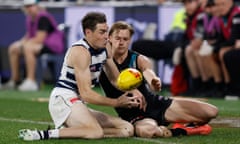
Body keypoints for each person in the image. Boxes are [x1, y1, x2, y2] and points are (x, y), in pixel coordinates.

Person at [18, 12, 145, 141]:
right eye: (102, 32)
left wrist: (133, 90)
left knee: (127, 128)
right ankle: (41, 134)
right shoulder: (81, 52)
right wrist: (117, 102)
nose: (106, 36)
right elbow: (86, 94)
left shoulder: (106, 46)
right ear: (88, 32)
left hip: (78, 103)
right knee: (95, 132)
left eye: (107, 31)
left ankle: (74, 131)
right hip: (64, 100)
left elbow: (115, 79)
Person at [99, 21, 218, 138]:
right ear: (109, 38)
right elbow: (115, 79)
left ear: (130, 40)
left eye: (125, 39)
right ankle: (178, 131)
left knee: (211, 112)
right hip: (134, 114)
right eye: (117, 38)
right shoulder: (103, 62)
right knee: (148, 131)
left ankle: (172, 123)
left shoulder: (138, 59)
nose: (121, 42)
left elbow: (147, 71)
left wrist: (154, 81)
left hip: (155, 103)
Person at [1, 0, 64, 91]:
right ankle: (15, 80)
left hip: (53, 46)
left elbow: (40, 39)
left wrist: (24, 45)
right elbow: (28, 36)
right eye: (26, 6)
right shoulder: (30, 19)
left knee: (28, 48)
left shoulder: (43, 17)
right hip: (40, 45)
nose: (29, 9)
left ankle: (31, 81)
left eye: (31, 6)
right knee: (13, 48)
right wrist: (20, 43)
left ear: (37, 6)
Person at [214, 0, 240, 97]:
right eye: (218, 5)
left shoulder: (236, 15)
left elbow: (234, 38)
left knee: (226, 54)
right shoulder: (223, 18)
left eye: (223, 4)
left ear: (231, 2)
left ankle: (232, 86)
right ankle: (219, 86)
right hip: (234, 46)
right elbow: (222, 38)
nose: (220, 7)